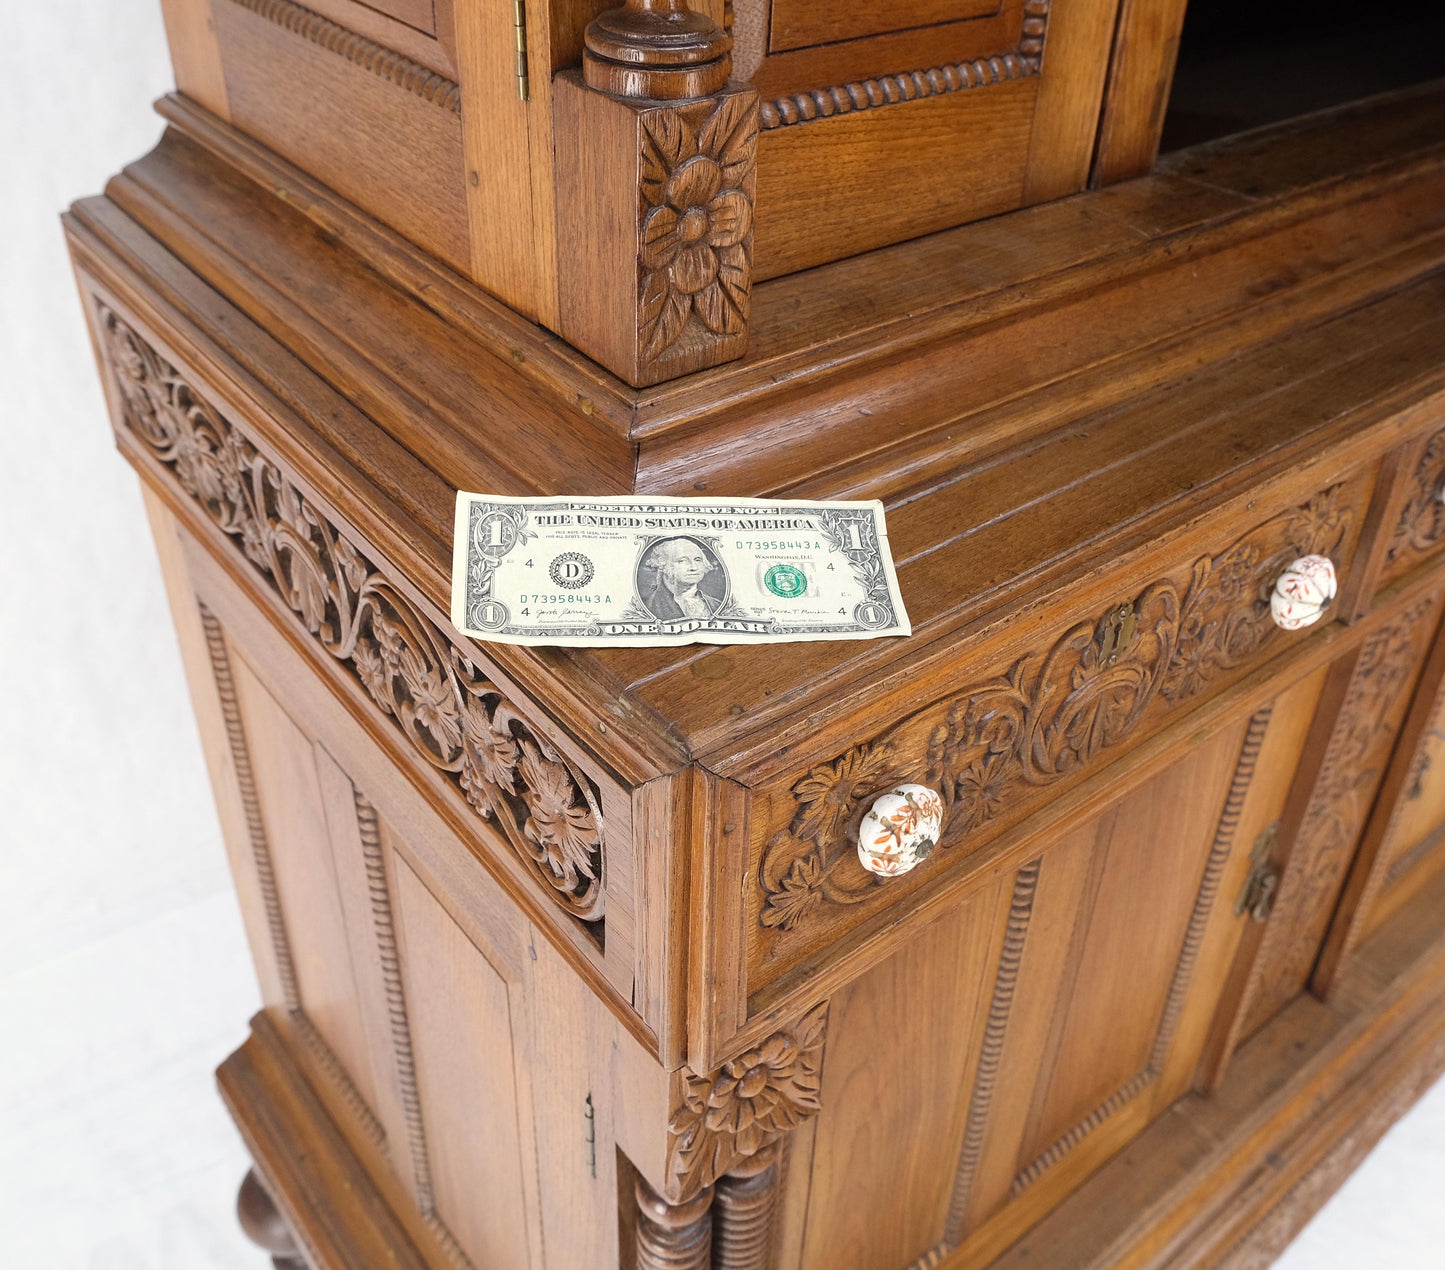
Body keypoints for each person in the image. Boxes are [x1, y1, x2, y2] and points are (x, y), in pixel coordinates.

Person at [640, 537, 725, 620]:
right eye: (682, 561)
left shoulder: (717, 605)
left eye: (697, 560)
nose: (694, 567)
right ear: (663, 564)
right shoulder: (648, 607)